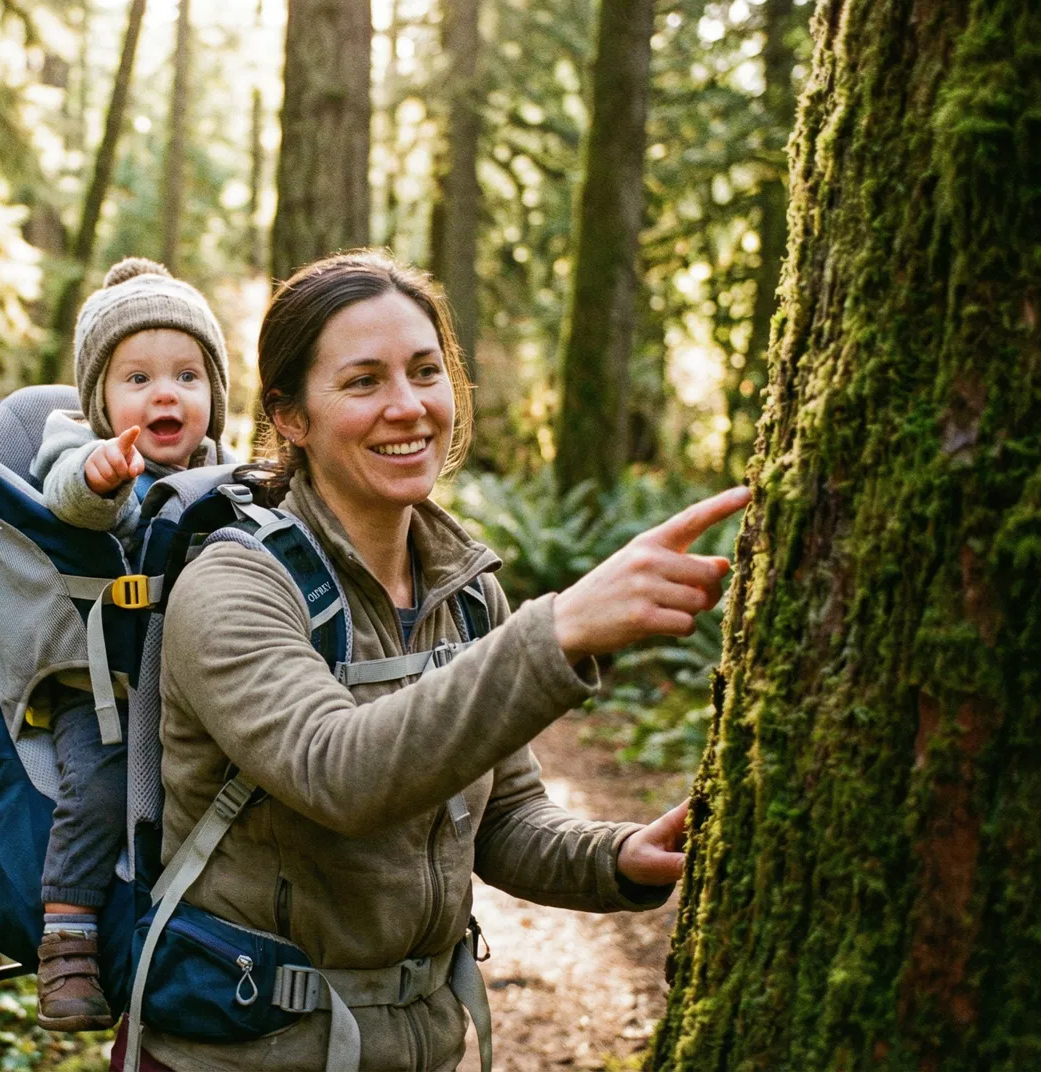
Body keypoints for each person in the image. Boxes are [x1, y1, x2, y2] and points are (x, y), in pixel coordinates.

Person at [124, 251, 747, 1070]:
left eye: (426, 372)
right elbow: (338, 772)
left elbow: (503, 820)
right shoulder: (235, 584)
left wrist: (619, 859)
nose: (408, 407)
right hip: (240, 1053)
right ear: (292, 416)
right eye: (363, 382)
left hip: (422, 1048)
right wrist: (557, 631)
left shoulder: (461, 590)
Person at [27, 257, 230, 1031]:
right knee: (101, 788)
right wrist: (104, 474)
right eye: (137, 379)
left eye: (186, 375)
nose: (164, 394)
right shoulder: (81, 448)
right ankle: (68, 939)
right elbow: (67, 494)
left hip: (193, 684)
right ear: (99, 399)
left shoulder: (223, 467)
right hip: (101, 687)